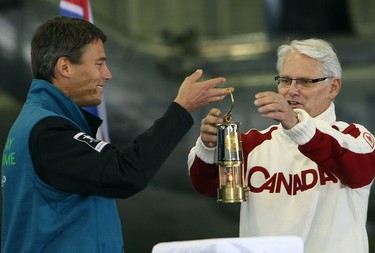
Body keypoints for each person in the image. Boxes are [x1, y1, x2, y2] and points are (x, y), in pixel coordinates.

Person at [0, 16, 233, 253]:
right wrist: (181, 109)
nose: (108, 74)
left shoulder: (35, 125)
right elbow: (126, 172)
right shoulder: (48, 131)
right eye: (99, 64)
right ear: (65, 67)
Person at [188, 38, 375, 253]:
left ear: (333, 86)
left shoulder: (355, 136)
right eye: (285, 81)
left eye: (305, 82)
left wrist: (296, 124)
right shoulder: (253, 144)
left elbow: (359, 171)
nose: (292, 91)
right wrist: (209, 146)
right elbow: (205, 186)